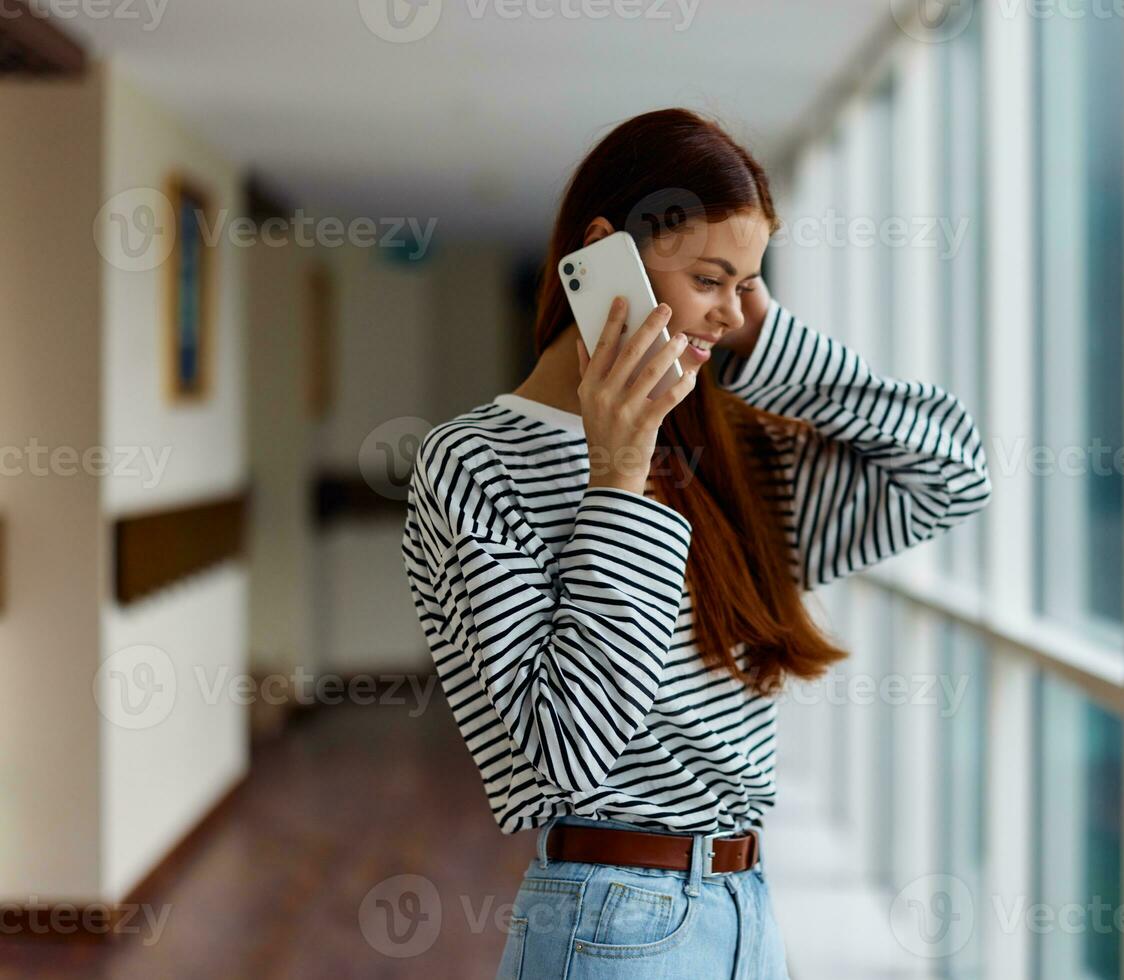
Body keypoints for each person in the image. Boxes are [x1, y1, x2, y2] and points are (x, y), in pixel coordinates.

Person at [400, 106, 992, 979]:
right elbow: (566, 749)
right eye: (712, 279)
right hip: (611, 916)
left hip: (746, 906)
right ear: (605, 253)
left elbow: (952, 472)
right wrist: (617, 478)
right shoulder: (477, 461)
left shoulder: (734, 459)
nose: (730, 313)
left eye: (750, 284)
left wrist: (768, 341)